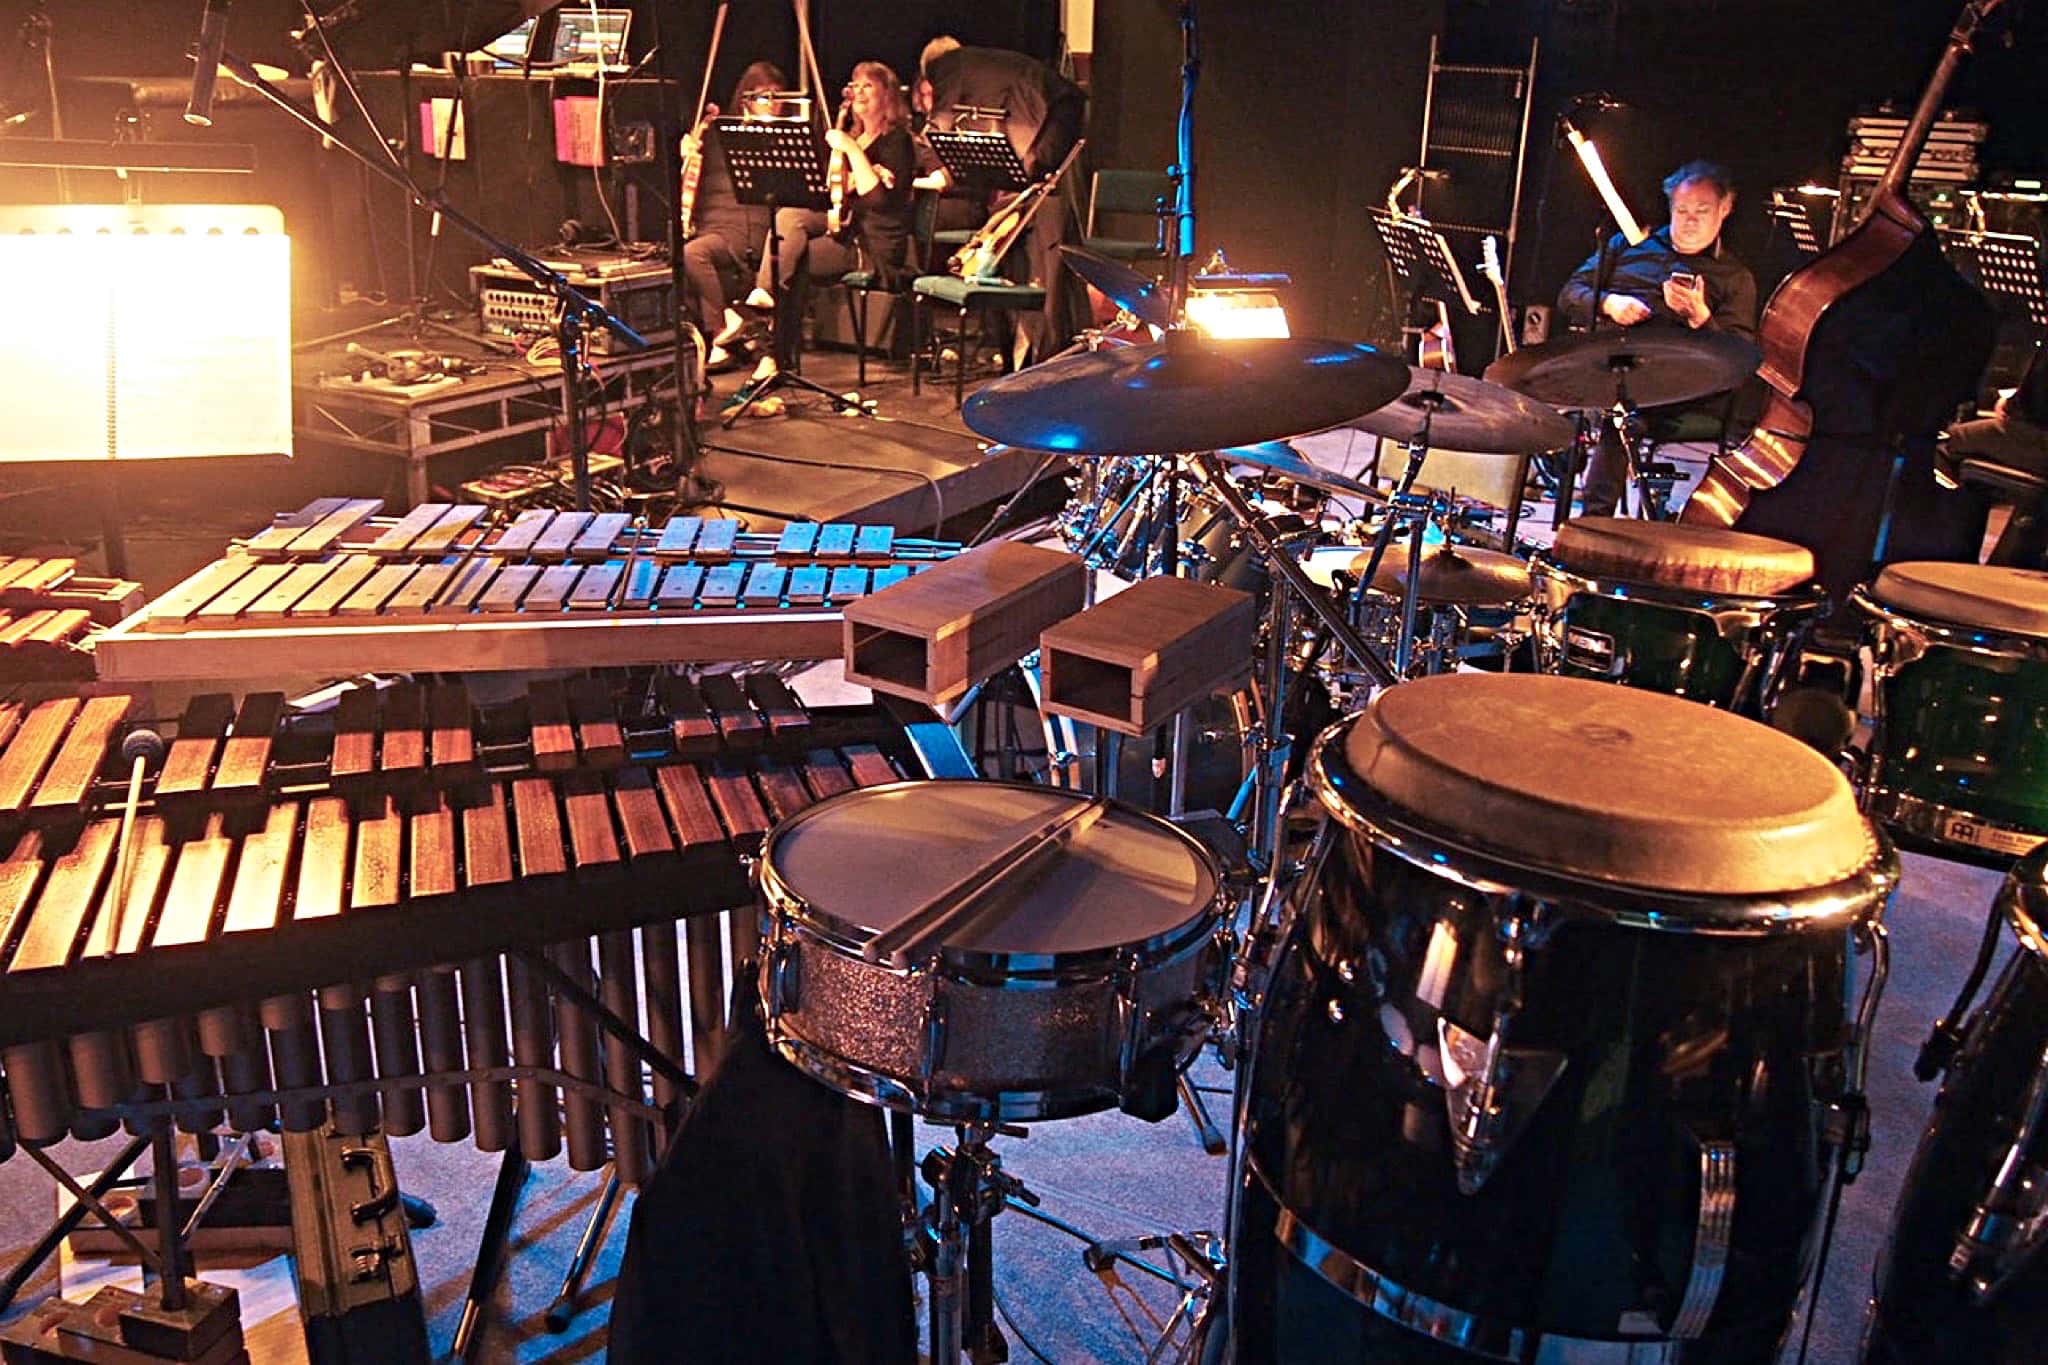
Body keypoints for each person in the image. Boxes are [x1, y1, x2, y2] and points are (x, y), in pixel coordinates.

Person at [1555, 160, 1759, 516]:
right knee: (1538, 391)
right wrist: (1609, 302)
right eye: (1681, 210)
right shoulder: (1629, 245)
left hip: (1679, 387)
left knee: (1620, 413)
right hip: (1607, 365)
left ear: (1725, 209)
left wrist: (1701, 317)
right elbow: (1569, 293)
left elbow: (1739, 358)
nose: (1690, 220)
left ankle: (1592, 522)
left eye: (1702, 210)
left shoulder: (1735, 277)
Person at [731, 59, 915, 402]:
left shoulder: (897, 142)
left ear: (886, 95)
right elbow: (832, 194)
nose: (858, 92)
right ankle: (765, 298)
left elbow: (876, 198)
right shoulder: (857, 135)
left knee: (794, 261)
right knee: (788, 220)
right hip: (844, 229)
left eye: (867, 86)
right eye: (854, 85)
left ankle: (773, 354)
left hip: (873, 248)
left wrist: (849, 148)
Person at [916, 36, 1089, 363]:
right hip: (1054, 115)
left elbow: (939, 124)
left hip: (1055, 120)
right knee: (1013, 227)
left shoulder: (948, 67)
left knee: (1036, 201)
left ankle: (1041, 352)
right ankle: (1016, 348)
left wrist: (938, 168)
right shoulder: (983, 65)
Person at [680, 61, 785, 370]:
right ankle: (726, 334)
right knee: (678, 254)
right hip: (711, 223)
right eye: (764, 96)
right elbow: (691, 182)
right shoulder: (716, 132)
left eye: (777, 97)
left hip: (746, 227)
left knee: (693, 254)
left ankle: (721, 330)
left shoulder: (778, 139)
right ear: (745, 99)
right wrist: (688, 151)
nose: (772, 105)